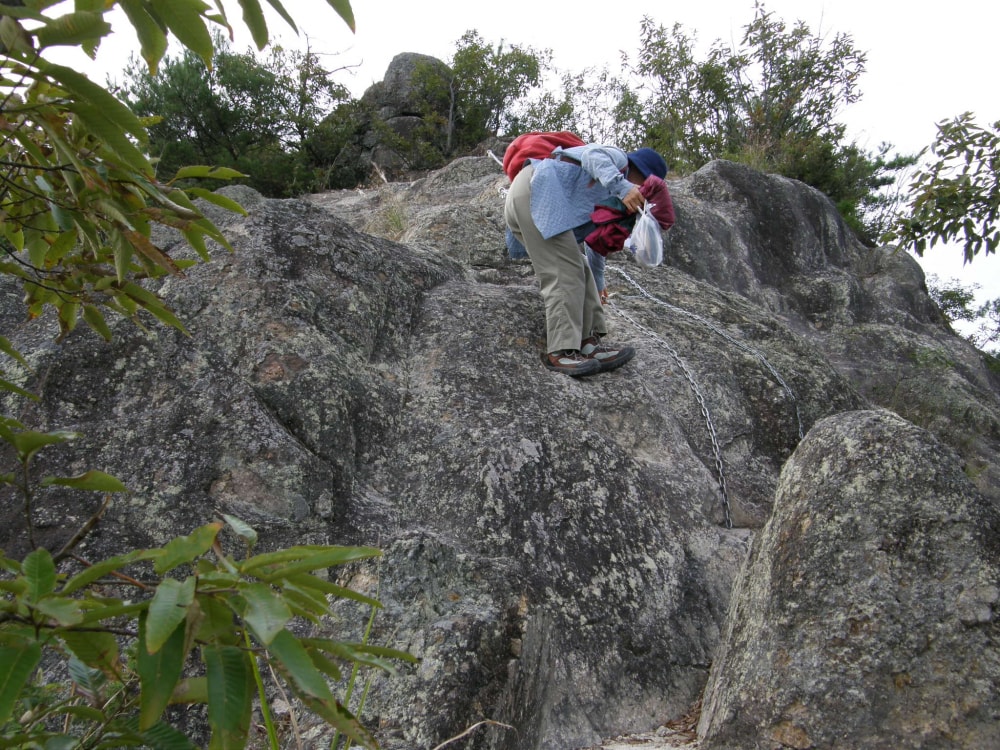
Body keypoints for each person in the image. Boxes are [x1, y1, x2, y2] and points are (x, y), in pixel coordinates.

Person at [504, 143, 669, 376]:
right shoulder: (617, 162)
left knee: (580, 266)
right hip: (535, 190)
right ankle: (561, 351)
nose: (642, 191)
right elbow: (592, 154)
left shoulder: (614, 195)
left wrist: (599, 283)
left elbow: (595, 241)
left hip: (534, 197)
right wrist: (622, 186)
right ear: (642, 175)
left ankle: (588, 344)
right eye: (645, 185)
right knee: (564, 269)